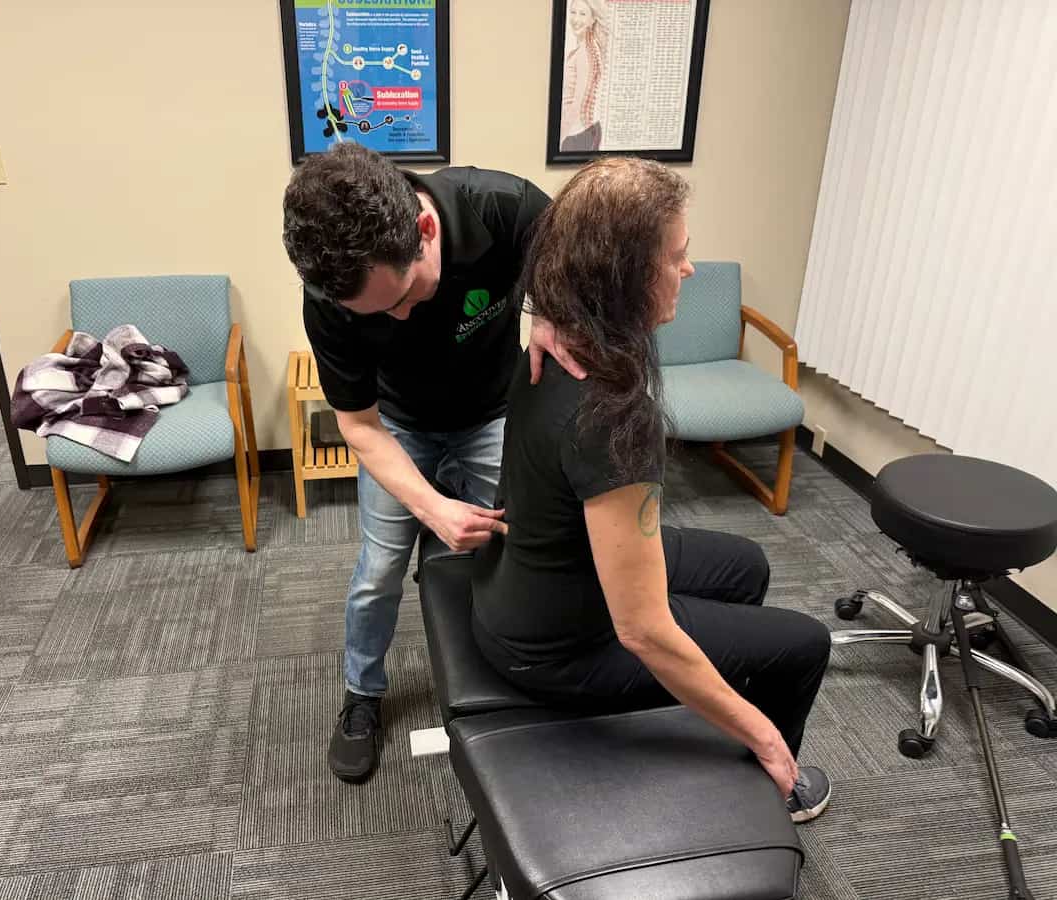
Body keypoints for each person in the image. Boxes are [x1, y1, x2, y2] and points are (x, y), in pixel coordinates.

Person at [470, 157, 834, 823]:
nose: (689, 271)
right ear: (626, 276)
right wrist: (763, 732)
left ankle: (704, 732)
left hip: (524, 582)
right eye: (678, 257)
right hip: (554, 650)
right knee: (804, 645)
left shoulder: (551, 340)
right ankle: (774, 782)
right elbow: (640, 629)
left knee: (745, 565)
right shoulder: (610, 414)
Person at [282, 142, 583, 784]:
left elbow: (571, 261)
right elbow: (359, 427)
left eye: (405, 293)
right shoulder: (329, 297)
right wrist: (430, 506)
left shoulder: (504, 208)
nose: (401, 317)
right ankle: (362, 693)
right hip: (398, 425)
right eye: (380, 313)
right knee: (380, 570)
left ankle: (512, 668)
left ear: (424, 229)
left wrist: (554, 312)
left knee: (515, 544)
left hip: (494, 410)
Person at [560, 0, 609, 152]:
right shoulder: (588, 47)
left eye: (582, 14)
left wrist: (560, 137)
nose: (575, 19)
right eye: (573, 12)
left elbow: (578, 103)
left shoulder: (585, 53)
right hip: (581, 132)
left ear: (592, 19)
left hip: (576, 133)